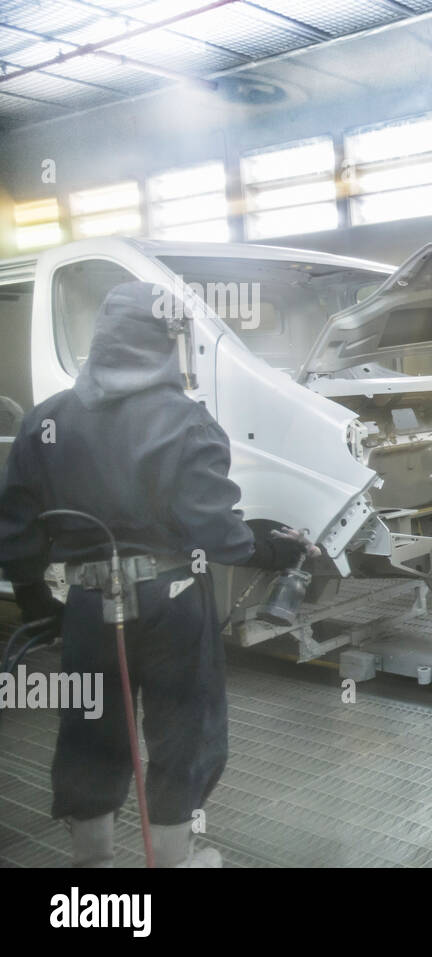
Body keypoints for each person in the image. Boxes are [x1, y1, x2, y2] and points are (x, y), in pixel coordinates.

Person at [0, 280, 310, 867]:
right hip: (171, 601)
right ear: (166, 343)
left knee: (91, 727)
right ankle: (172, 860)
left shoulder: (48, 420)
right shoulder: (182, 421)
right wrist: (270, 548)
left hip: (89, 606)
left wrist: (37, 598)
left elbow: (15, 525)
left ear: (103, 341)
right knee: (184, 728)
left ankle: (94, 870)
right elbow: (217, 531)